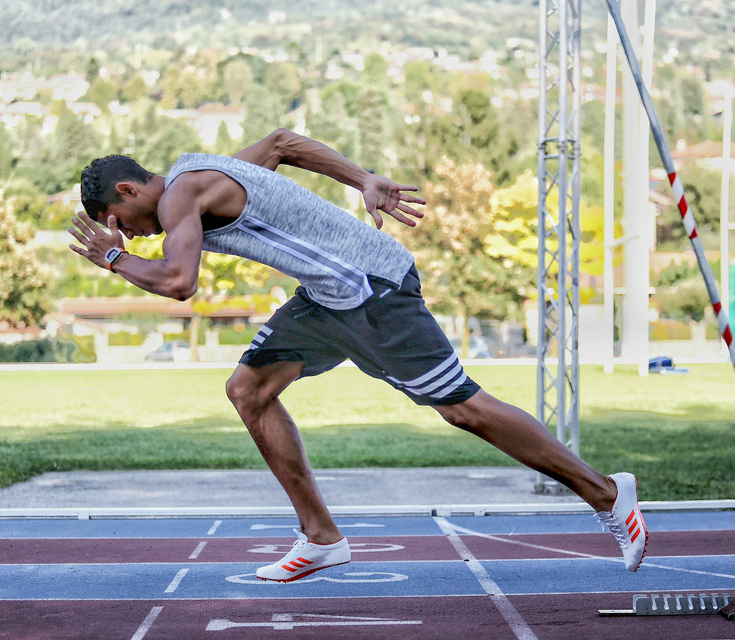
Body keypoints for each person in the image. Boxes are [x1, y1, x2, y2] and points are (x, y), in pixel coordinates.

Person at [68, 128, 647, 581]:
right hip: (327, 298)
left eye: (119, 223)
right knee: (249, 390)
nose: (127, 234)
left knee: (463, 409)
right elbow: (280, 144)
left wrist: (113, 261)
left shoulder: (181, 194)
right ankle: (321, 538)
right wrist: (363, 179)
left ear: (128, 190)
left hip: (371, 287)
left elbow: (178, 281)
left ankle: (605, 491)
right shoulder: (203, 174)